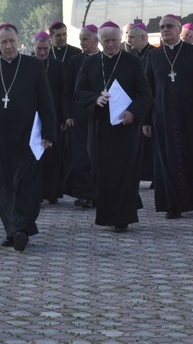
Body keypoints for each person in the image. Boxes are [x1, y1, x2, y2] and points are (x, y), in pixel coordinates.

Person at [0, 23, 56, 251]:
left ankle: (17, 228)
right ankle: (15, 229)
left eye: (12, 41)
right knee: (2, 184)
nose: (8, 46)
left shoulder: (34, 67)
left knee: (26, 183)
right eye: (3, 42)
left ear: (19, 42)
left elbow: (46, 102)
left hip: (28, 135)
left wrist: (48, 133)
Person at [74, 21, 152, 232]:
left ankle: (123, 217)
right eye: (106, 41)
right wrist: (95, 99)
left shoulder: (132, 62)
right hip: (100, 129)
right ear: (99, 41)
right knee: (102, 173)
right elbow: (79, 92)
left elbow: (145, 94)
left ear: (120, 40)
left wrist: (133, 113)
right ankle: (108, 215)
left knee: (125, 172)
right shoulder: (90, 64)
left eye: (114, 40)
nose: (110, 45)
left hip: (126, 129)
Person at [144, 14, 193, 219]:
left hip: (190, 117)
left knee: (190, 159)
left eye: (169, 26)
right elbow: (148, 90)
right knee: (166, 161)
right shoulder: (154, 56)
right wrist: (146, 120)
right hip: (162, 118)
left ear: (178, 29)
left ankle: (188, 199)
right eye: (162, 27)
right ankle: (170, 205)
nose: (165, 29)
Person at [62, 25, 100, 208]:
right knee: (81, 157)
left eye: (85, 39)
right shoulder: (75, 61)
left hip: (100, 115)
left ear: (96, 40)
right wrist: (68, 114)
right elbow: (67, 90)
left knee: (98, 156)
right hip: (79, 116)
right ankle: (85, 194)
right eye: (80, 39)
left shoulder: (104, 60)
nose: (81, 42)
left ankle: (99, 192)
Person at [32, 31, 66, 205]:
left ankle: (52, 192)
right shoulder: (27, 65)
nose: (43, 52)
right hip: (32, 117)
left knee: (52, 156)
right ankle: (37, 192)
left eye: (46, 49)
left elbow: (63, 93)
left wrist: (64, 117)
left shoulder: (57, 66)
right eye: (39, 48)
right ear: (34, 47)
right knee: (35, 156)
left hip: (54, 115)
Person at [128, 22, 156, 183]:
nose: (129, 40)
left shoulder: (154, 54)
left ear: (143, 37)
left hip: (150, 107)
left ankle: (153, 175)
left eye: (132, 37)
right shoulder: (133, 56)